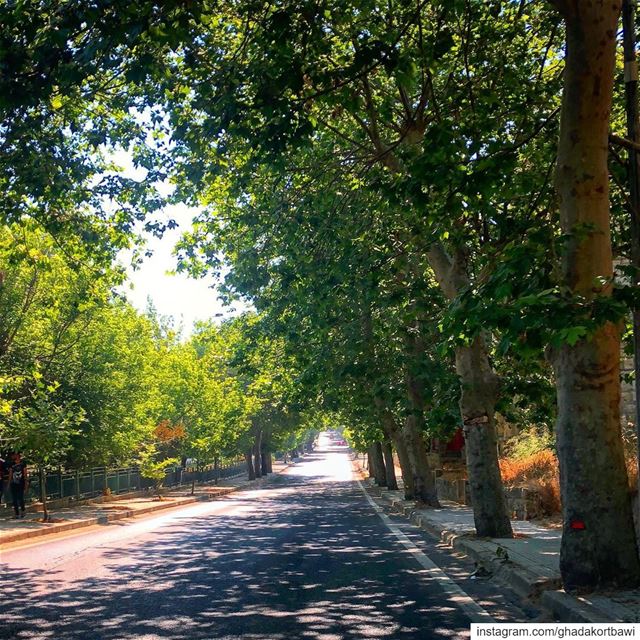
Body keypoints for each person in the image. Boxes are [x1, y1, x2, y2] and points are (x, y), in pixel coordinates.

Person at [8, 453, 28, 519]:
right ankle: (17, 513)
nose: (13, 456)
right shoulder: (11, 464)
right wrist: (9, 483)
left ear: (17, 455)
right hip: (13, 483)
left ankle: (23, 511)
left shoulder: (23, 463)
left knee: (20, 498)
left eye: (14, 455)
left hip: (21, 483)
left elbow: (25, 474)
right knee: (14, 499)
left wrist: (26, 483)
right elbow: (10, 474)